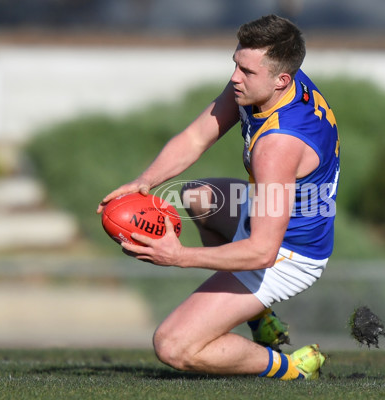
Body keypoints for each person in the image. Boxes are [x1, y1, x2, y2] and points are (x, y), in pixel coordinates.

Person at [97, 14, 340, 380]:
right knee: (198, 196)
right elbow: (197, 137)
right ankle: (260, 318)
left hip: (289, 254)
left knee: (173, 346)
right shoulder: (269, 84)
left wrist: (179, 257)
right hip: (270, 216)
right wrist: (143, 182)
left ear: (281, 80)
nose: (234, 78)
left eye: (246, 71)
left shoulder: (278, 145)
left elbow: (262, 252)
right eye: (235, 64)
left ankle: (294, 368)